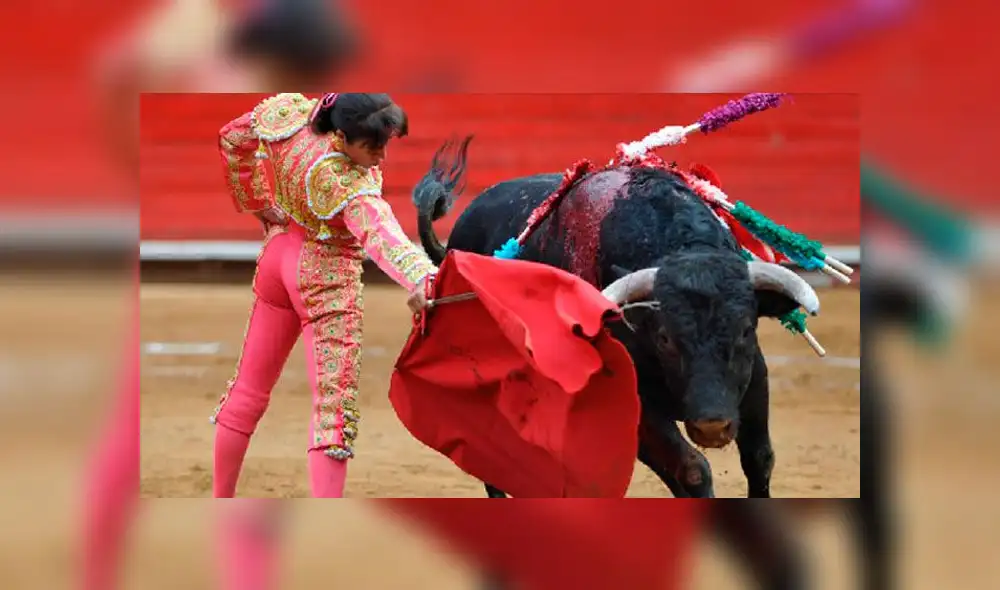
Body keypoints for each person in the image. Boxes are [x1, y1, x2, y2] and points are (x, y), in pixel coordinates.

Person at [211, 92, 437, 498]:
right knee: (333, 411)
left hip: (277, 258)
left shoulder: (291, 117)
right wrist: (425, 281)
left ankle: (219, 497)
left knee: (247, 388)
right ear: (341, 138)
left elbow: (231, 139)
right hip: (324, 277)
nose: (381, 157)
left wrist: (255, 203)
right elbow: (381, 235)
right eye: (372, 147)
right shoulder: (343, 180)